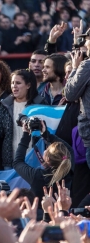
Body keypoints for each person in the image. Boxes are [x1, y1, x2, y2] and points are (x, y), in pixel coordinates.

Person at [0, 69, 45, 169]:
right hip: (11, 161)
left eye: (18, 83)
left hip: (36, 159)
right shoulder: (5, 105)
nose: (14, 86)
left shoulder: (40, 105)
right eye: (12, 83)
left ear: (28, 85)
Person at [13, 120, 74, 204]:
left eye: (47, 149)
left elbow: (17, 162)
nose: (45, 150)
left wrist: (26, 135)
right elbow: (69, 150)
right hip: (61, 213)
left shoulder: (37, 175)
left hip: (38, 215)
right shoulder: (68, 170)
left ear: (47, 159)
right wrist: (46, 134)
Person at [65, 28, 90, 169]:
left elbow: (69, 94)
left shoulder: (87, 65)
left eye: (87, 40)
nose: (85, 44)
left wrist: (75, 68)